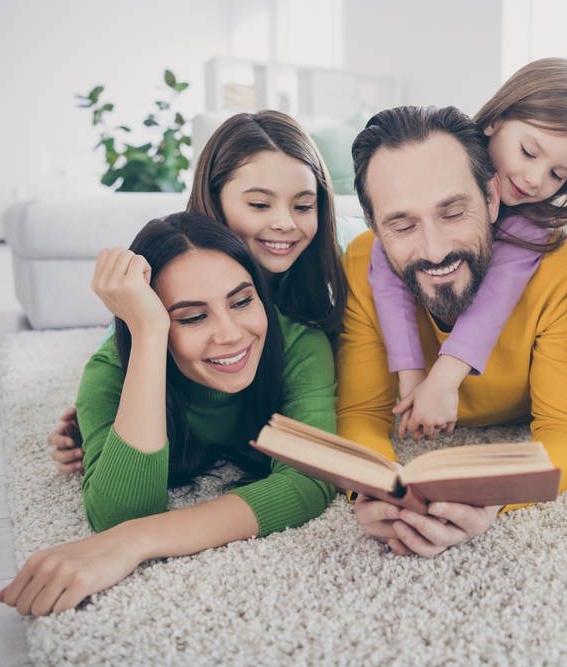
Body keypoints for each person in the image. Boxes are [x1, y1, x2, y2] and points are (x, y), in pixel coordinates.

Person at [0, 213, 339, 616]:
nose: (230, 333)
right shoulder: (110, 371)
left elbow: (308, 479)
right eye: (192, 317)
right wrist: (148, 336)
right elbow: (118, 513)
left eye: (242, 300)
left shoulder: (300, 342)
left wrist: (137, 541)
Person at [338, 105, 567, 558]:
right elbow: (360, 414)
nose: (435, 250)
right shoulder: (364, 262)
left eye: (454, 213)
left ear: (493, 197)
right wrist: (376, 487)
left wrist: (493, 492)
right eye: (401, 225)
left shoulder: (565, 268)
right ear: (372, 223)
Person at [49, 110, 348, 473]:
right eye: (259, 204)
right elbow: (126, 346)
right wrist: (104, 411)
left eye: (303, 206)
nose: (285, 224)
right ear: (213, 200)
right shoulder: (178, 263)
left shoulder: (338, 262)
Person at [368, 58, 567, 442]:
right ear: (495, 119)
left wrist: (444, 380)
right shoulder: (442, 159)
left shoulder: (532, 225)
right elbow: (385, 273)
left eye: (557, 175)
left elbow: (495, 297)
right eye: (529, 152)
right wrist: (410, 376)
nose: (533, 180)